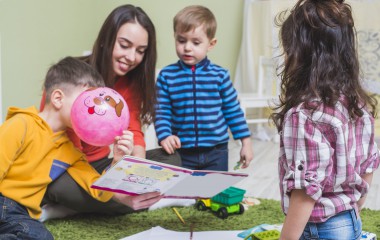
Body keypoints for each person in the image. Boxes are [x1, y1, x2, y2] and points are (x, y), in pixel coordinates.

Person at [40, 4, 181, 217]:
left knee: (171, 160)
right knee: (58, 187)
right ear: (107, 39)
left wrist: (138, 169)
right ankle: (129, 202)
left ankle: (103, 202)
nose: (132, 57)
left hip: (102, 165)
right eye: (125, 45)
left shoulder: (131, 82)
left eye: (140, 51)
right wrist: (117, 194)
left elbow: (134, 128)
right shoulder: (72, 78)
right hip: (67, 167)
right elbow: (65, 152)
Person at [0, 57, 162, 239]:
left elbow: (99, 191)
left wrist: (117, 161)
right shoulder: (21, 124)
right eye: (87, 98)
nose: (93, 106)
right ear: (58, 98)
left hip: (23, 214)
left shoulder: (70, 150)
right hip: (5, 202)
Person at [270, 0, 380, 239]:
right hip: (350, 221)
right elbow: (368, 166)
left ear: (302, 56)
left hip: (320, 228)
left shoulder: (305, 115)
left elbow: (305, 192)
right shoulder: (357, 105)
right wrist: (354, 210)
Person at [154, 5, 253, 171]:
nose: (187, 47)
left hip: (217, 151)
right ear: (175, 38)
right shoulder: (166, 76)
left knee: (213, 193)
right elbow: (161, 110)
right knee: (184, 195)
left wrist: (246, 142)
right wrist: (165, 135)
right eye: (181, 40)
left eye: (196, 42)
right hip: (181, 152)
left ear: (211, 44)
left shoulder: (220, 75)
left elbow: (232, 110)